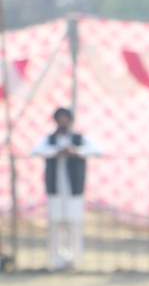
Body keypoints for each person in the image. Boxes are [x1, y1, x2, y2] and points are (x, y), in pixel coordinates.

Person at [29, 107, 104, 270]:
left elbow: (98, 151)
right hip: (55, 189)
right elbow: (34, 150)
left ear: (70, 120)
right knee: (55, 223)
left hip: (74, 190)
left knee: (74, 223)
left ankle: (75, 261)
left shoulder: (79, 139)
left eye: (65, 118)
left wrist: (76, 151)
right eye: (60, 118)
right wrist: (57, 151)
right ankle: (56, 261)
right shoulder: (50, 139)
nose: (63, 121)